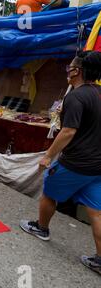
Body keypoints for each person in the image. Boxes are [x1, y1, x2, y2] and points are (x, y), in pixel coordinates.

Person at [20, 51, 101, 276]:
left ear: (79, 71)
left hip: (76, 163)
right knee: (97, 213)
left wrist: (48, 156)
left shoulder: (76, 96)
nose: (68, 69)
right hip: (97, 167)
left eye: (71, 66)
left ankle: (41, 228)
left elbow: (68, 131)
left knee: (49, 191)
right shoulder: (98, 93)